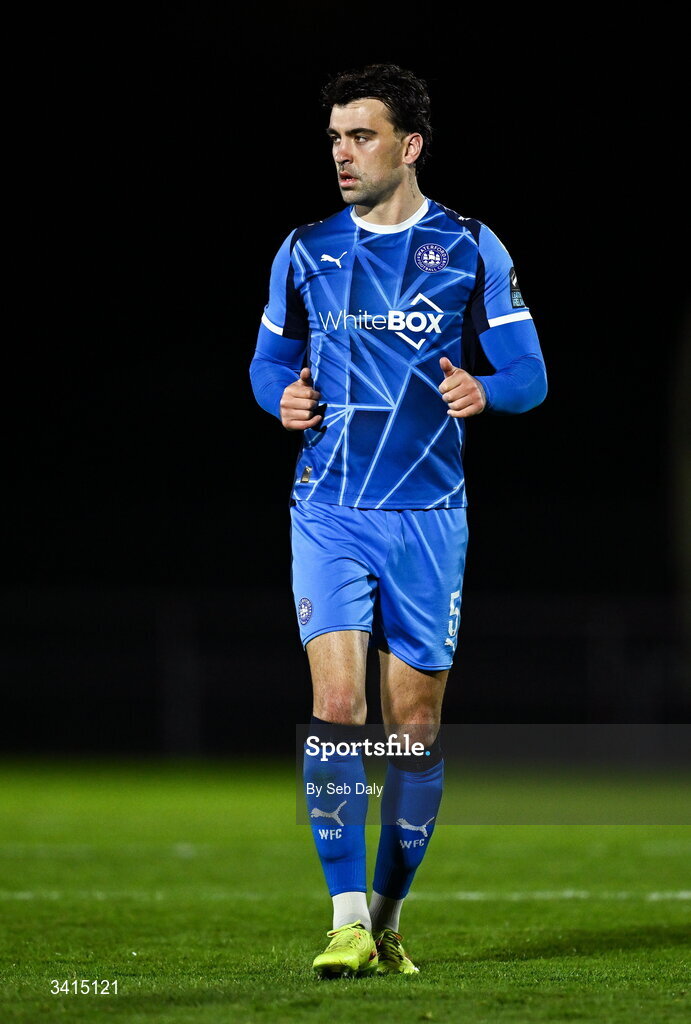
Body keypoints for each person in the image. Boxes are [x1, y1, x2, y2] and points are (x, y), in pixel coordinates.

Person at [250, 63, 547, 978]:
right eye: (334, 136)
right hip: (328, 508)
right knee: (337, 710)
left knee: (410, 734)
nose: (341, 153)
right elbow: (268, 367)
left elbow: (529, 376)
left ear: (409, 145)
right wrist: (282, 403)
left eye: (361, 135)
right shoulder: (303, 249)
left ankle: (384, 919)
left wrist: (482, 390)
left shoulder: (469, 246)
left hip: (427, 517)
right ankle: (342, 917)